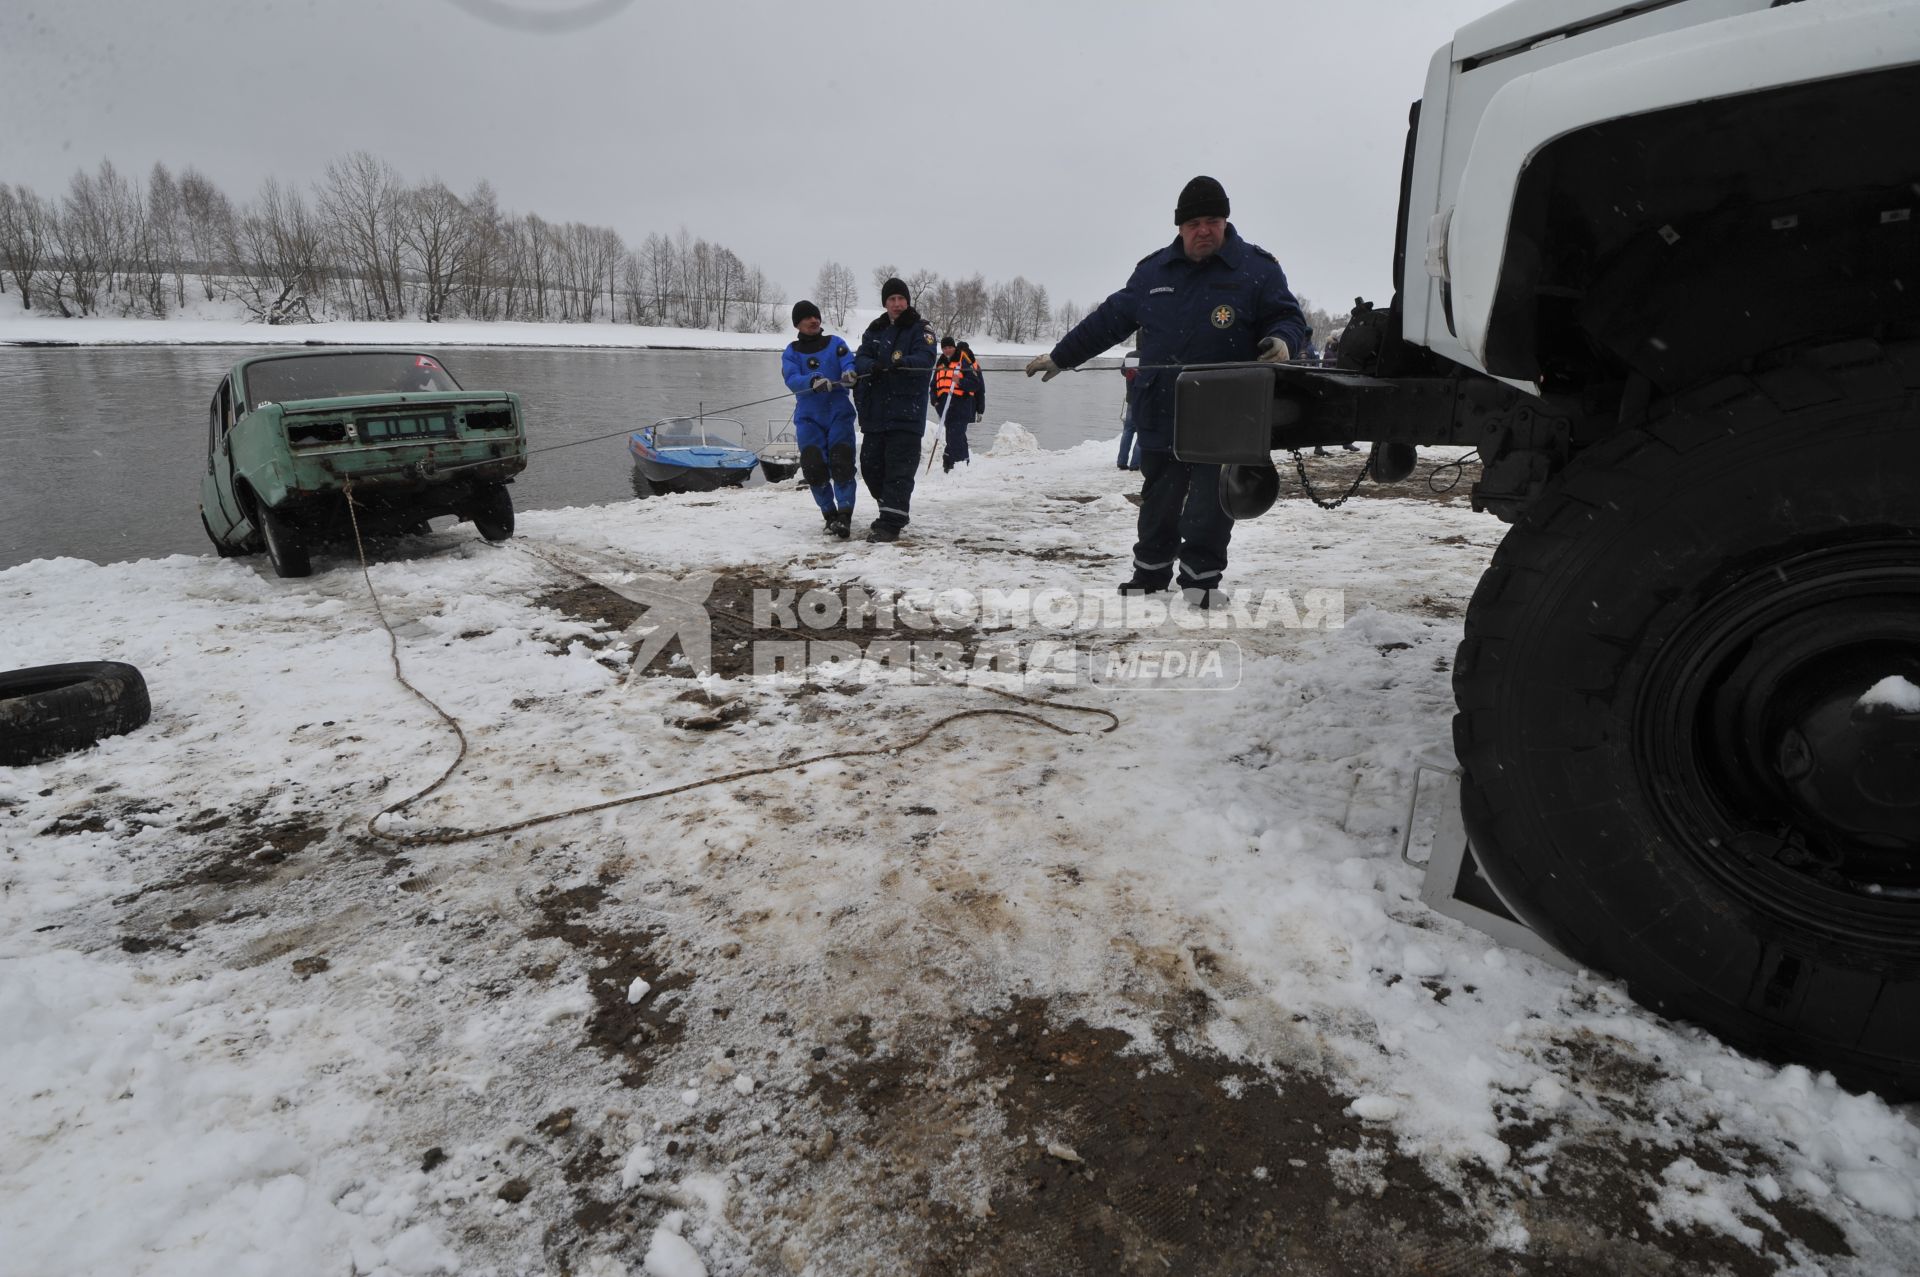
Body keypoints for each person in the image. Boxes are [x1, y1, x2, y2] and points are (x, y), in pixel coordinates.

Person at [1027, 176, 1308, 606]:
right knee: (1159, 494)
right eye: (1193, 222)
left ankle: (1200, 580)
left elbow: (1287, 317)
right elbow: (1109, 320)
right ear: (1179, 227)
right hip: (1161, 407)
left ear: (1225, 221)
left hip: (1226, 411)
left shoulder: (1257, 269)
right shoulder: (1153, 271)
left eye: (1212, 220)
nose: (1203, 230)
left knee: (1211, 502)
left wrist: (1284, 341)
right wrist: (1062, 356)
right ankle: (1150, 573)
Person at [853, 277, 937, 542]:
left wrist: (901, 364)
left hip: (905, 412)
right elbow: (861, 358)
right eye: (892, 299)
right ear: (885, 303)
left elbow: (926, 358)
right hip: (876, 413)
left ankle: (890, 523)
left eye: (901, 299)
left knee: (899, 470)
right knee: (870, 466)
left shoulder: (921, 328)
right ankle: (892, 508)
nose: (897, 304)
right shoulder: (875, 329)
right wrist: (871, 367)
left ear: (908, 301)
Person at [780, 299, 859, 537]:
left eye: (816, 317)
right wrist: (812, 381)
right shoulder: (791, 352)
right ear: (797, 324)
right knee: (814, 465)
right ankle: (829, 515)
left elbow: (849, 361)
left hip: (838, 412)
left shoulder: (836, 343)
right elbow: (792, 379)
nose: (813, 321)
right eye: (807, 318)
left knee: (842, 461)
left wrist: (849, 373)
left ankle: (845, 514)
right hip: (809, 417)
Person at [930, 335, 984, 472]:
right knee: (953, 435)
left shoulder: (963, 361)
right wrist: (935, 401)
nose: (947, 350)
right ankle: (958, 462)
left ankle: (954, 463)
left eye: (950, 347)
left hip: (961, 404)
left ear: (954, 347)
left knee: (956, 435)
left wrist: (960, 381)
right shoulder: (940, 363)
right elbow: (933, 385)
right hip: (944, 407)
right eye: (944, 348)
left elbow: (975, 384)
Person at [1116, 347, 1142, 470]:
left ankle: (1122, 461)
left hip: (1131, 398)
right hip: (1144, 399)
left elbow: (1122, 371)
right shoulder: (1150, 355)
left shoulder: (1130, 355)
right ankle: (1135, 463)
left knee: (1128, 431)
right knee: (1142, 431)